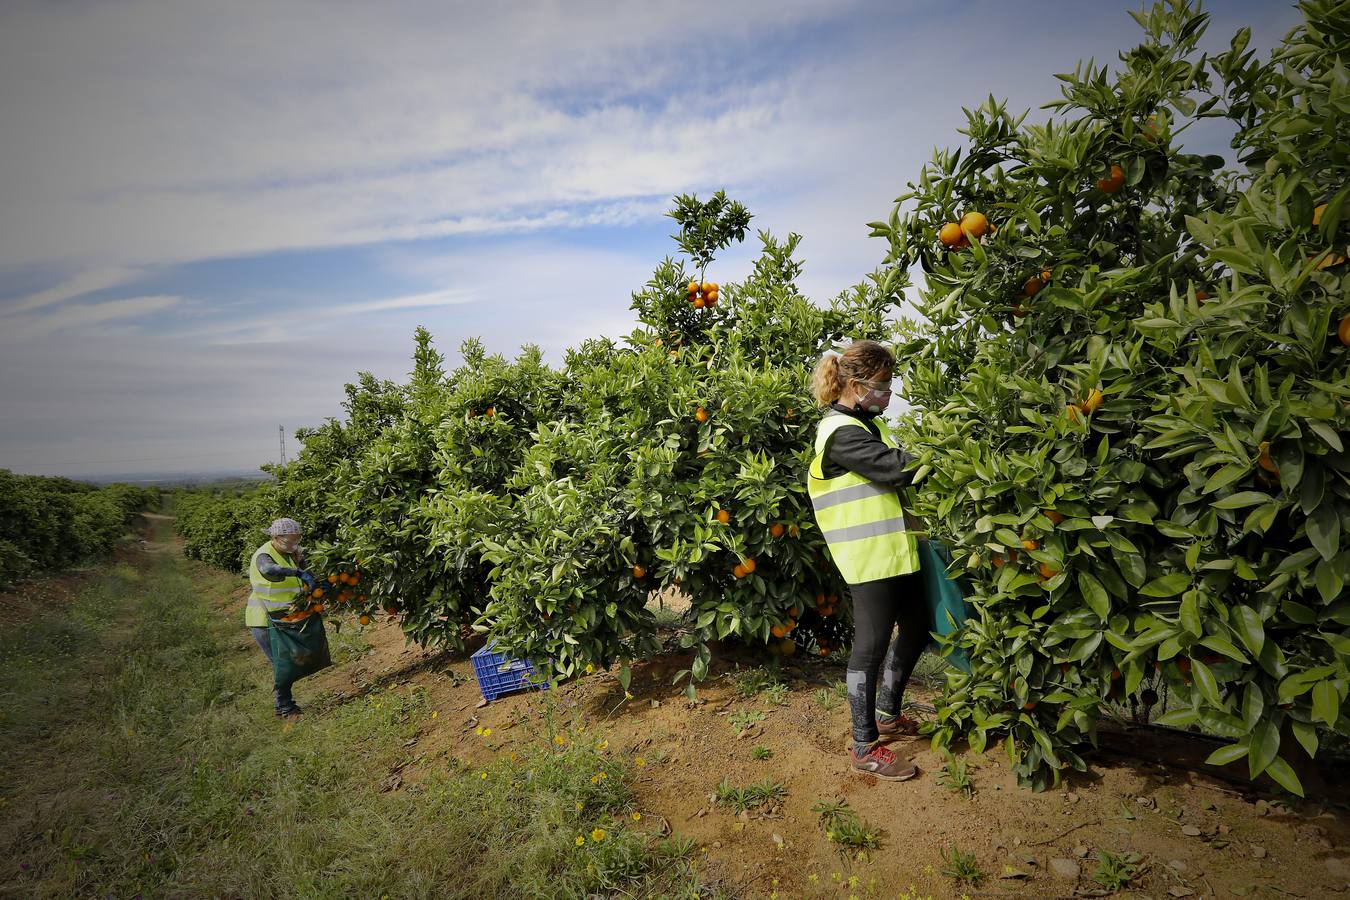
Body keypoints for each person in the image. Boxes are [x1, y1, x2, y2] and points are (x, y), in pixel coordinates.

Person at [807, 340, 924, 781]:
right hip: (869, 558)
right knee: (871, 647)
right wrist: (947, 456)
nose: (888, 393)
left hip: (899, 551)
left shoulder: (870, 426)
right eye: (882, 384)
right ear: (855, 386)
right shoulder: (839, 433)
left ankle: (889, 714)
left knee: (917, 627)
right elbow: (895, 468)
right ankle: (864, 745)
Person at [246, 518, 317, 718]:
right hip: (263, 619)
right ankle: (286, 707)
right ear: (275, 537)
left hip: (283, 617)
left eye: (296, 541)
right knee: (282, 664)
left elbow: (308, 572)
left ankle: (282, 705)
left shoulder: (290, 554)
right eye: (288, 542)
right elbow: (269, 570)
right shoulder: (264, 554)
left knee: (287, 662)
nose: (293, 545)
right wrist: (297, 573)